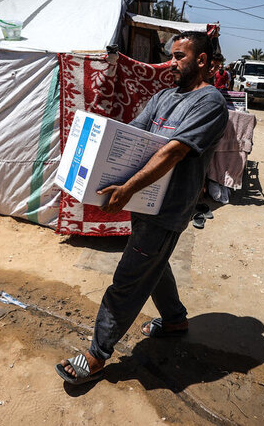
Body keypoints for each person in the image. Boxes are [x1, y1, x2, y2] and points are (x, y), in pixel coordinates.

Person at [56, 31, 229, 385]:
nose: (172, 61)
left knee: (128, 280)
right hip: (145, 203)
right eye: (171, 54)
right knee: (153, 263)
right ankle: (176, 320)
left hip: (168, 208)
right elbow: (132, 135)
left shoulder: (210, 103)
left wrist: (127, 188)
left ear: (202, 60)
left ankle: (96, 354)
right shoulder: (164, 96)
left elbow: (174, 150)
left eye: (180, 55)